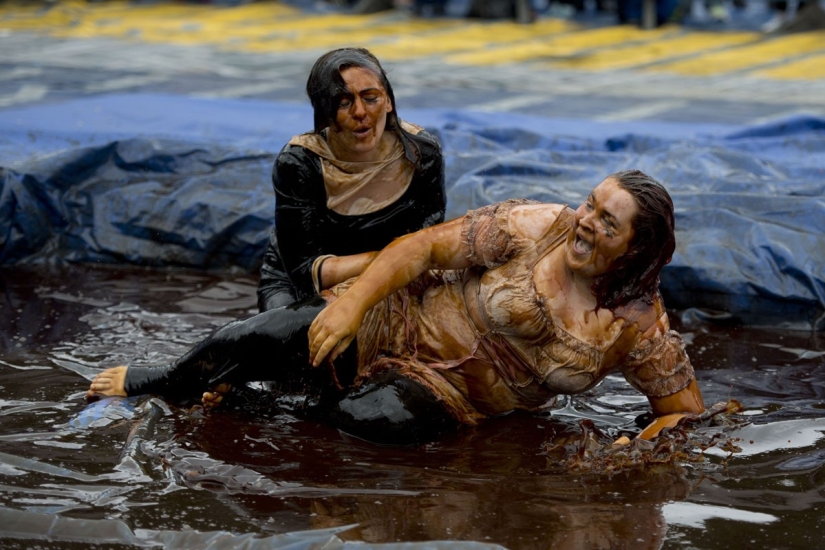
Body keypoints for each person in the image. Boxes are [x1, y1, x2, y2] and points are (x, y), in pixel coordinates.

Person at [87, 170, 705, 446]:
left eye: (607, 221)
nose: (586, 222)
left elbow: (684, 413)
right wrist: (355, 305)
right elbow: (422, 246)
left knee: (371, 422)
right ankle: (159, 381)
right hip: (399, 320)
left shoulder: (636, 328)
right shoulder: (536, 226)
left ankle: (252, 402)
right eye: (590, 204)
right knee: (254, 338)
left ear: (636, 248)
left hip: (449, 395)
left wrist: (641, 446)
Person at [257, 47, 446, 311]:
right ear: (325, 113)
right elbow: (303, 269)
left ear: (389, 101)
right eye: (344, 102)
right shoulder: (300, 163)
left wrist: (401, 265)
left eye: (371, 98)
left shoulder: (421, 154)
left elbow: (428, 238)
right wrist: (391, 262)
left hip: (395, 275)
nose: (360, 112)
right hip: (300, 284)